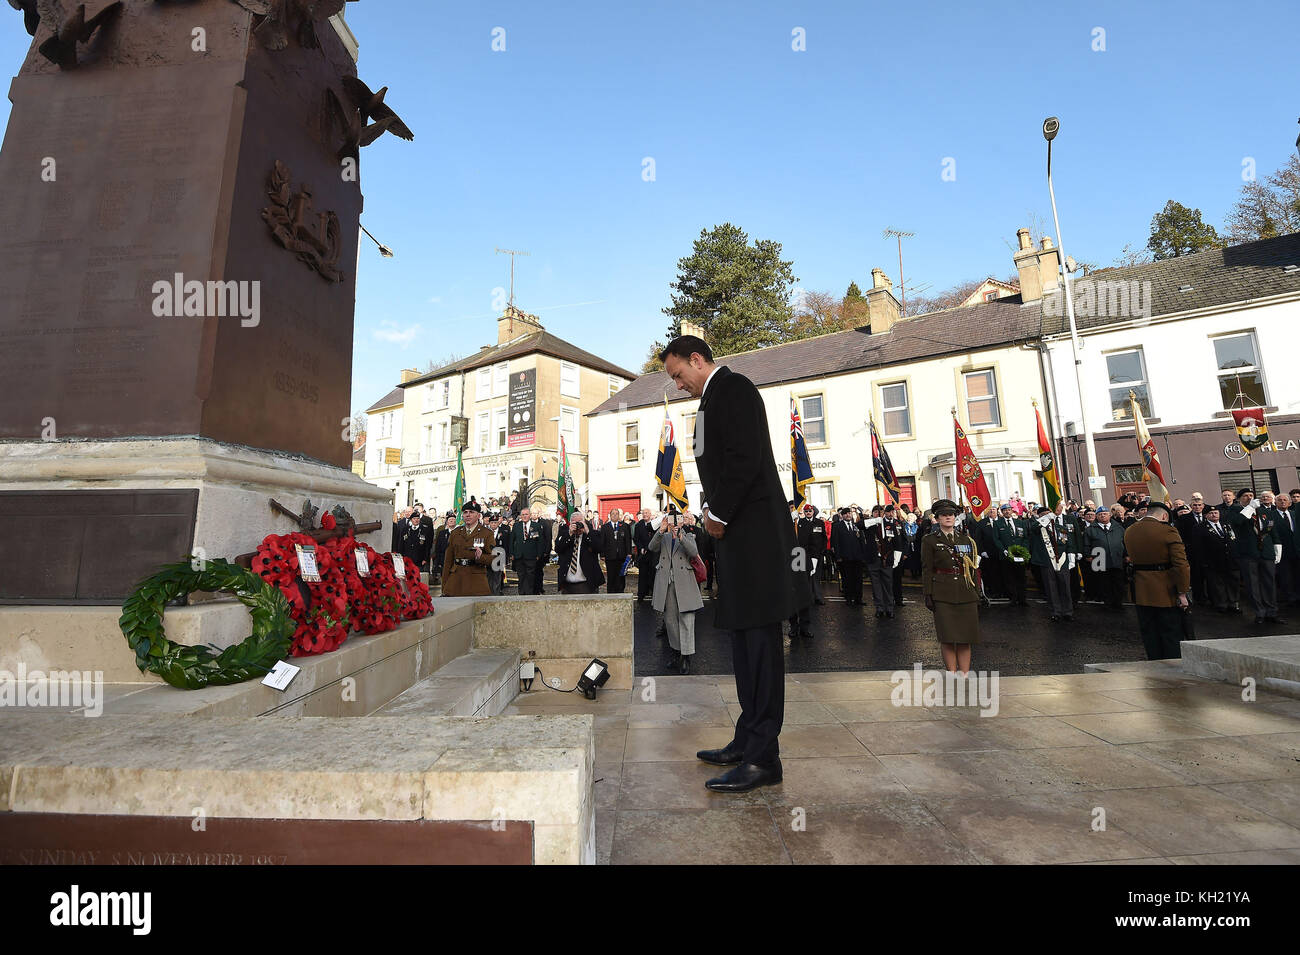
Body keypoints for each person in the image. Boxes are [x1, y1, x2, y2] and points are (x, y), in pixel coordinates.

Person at [662, 335, 807, 794]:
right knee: (745, 644)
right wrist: (711, 512)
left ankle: (765, 759)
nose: (678, 384)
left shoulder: (736, 389)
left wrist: (717, 513)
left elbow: (744, 460)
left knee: (762, 647)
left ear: (697, 359)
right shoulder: (708, 402)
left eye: (679, 375)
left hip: (757, 538)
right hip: (737, 539)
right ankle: (748, 739)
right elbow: (718, 467)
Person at [1123, 500, 1191, 660]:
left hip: (1140, 589)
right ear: (1165, 516)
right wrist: (1182, 592)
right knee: (1171, 634)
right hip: (1164, 589)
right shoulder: (1168, 531)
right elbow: (1181, 564)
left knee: (1149, 633)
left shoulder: (1130, 530)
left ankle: (1155, 666)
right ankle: (1173, 670)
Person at [921, 499, 981, 674]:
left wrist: (977, 592)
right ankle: (952, 675)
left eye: (951, 515)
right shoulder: (930, 540)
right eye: (943, 515)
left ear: (956, 517)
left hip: (966, 592)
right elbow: (927, 569)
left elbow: (972, 568)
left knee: (966, 637)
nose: (948, 517)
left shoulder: (966, 540)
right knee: (947, 638)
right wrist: (928, 594)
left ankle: (964, 675)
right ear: (937, 518)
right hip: (943, 593)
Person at [650, 513, 703, 673]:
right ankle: (676, 653)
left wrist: (680, 536)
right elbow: (652, 547)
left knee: (686, 620)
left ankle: (686, 657)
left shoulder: (688, 534)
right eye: (673, 520)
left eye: (679, 520)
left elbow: (693, 552)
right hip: (667, 582)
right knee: (671, 621)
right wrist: (661, 530)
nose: (676, 523)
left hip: (684, 583)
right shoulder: (663, 536)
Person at [1227, 489, 1284, 625]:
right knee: (1253, 585)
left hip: (1266, 552)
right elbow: (1237, 522)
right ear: (1239, 499)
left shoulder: (1265, 511)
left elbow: (1271, 529)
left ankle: (1272, 612)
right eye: (1245, 496)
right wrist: (1250, 508)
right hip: (1248, 553)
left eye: (1251, 496)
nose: (1249, 498)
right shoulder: (1235, 511)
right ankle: (1260, 612)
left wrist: (1277, 547)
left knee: (1269, 583)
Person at [788, 502, 826, 638]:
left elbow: (813, 544)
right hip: (790, 560)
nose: (794, 511)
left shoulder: (805, 524)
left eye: (795, 508)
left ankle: (805, 626)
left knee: (805, 594)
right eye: (792, 509)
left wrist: (813, 562)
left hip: (803, 559)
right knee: (792, 596)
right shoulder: (787, 523)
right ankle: (793, 626)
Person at [1030, 505, 1073, 622]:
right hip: (1046, 561)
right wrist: (1045, 519)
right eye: (1043, 515)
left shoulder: (1061, 528)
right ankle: (1056, 611)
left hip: (1062, 560)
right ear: (1039, 517)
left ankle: (1067, 611)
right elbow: (1034, 528)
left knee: (1065, 586)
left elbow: (1067, 542)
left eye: (1049, 514)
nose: (1048, 516)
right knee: (1051, 587)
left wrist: (1071, 556)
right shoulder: (1037, 528)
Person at [440, 502, 493, 596]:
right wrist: (444, 584)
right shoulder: (455, 533)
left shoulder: (487, 533)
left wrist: (481, 557)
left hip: (476, 581)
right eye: (465, 512)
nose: (468, 515)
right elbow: (448, 560)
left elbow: (494, 558)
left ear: (478, 515)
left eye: (471, 512)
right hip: (456, 580)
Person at [1199, 503, 1241, 613]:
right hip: (1213, 561)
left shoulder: (1226, 524)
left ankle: (1233, 603)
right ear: (1205, 515)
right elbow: (1199, 546)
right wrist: (1204, 561)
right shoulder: (1200, 528)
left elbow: (1234, 540)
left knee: (1233, 582)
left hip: (1230, 560)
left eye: (1216, 512)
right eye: (1211, 513)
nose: (1214, 514)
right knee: (1218, 584)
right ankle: (1222, 604)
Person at [1084, 505, 1126, 610]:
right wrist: (1088, 555)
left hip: (1117, 560)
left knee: (1118, 583)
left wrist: (1127, 555)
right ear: (1097, 516)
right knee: (1103, 583)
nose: (1103, 516)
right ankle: (1108, 603)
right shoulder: (1090, 530)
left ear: (1109, 515)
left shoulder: (1118, 528)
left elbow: (1125, 542)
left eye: (1105, 514)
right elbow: (1086, 544)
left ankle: (1118, 603)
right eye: (1100, 514)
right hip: (1099, 560)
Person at [863, 506, 901, 618]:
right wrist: (875, 521)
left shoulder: (891, 525)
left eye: (880, 512)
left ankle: (889, 608)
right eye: (875, 512)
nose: (877, 514)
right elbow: (859, 525)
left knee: (888, 585)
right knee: (876, 586)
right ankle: (879, 608)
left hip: (886, 559)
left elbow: (897, 543)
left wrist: (896, 559)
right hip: (873, 560)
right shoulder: (869, 525)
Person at [555, 513, 605, 594]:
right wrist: (569, 534)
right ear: (570, 523)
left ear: (584, 522)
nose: (577, 525)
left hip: (587, 583)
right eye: (574, 522)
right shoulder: (565, 533)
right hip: (567, 584)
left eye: (579, 522)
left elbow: (599, 548)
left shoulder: (592, 534)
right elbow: (558, 549)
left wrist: (587, 531)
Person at [992, 503, 1029, 606]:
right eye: (1005, 510)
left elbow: (1025, 537)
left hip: (1019, 555)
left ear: (1012, 511)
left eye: (1009, 510)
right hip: (1006, 555)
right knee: (1009, 577)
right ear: (1002, 512)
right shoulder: (998, 524)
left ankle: (1022, 598)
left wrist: (1024, 549)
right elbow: (996, 539)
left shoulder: (1019, 522)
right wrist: (1003, 550)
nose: (1007, 512)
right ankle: (1013, 598)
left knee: (1021, 576)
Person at [832, 506, 865, 606]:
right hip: (845, 557)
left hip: (857, 557)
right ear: (842, 516)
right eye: (845, 513)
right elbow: (835, 542)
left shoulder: (856, 526)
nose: (848, 515)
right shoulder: (837, 526)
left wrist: (862, 555)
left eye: (849, 513)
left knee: (858, 579)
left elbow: (862, 541)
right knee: (847, 579)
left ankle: (858, 599)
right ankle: (849, 598)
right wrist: (838, 556)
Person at [509, 506, 543, 595]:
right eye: (523, 515)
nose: (524, 516)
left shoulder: (536, 526)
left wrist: (539, 554)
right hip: (519, 556)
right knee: (521, 576)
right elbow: (511, 540)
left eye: (526, 514)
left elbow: (540, 541)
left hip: (531, 556)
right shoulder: (516, 526)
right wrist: (511, 553)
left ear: (530, 515)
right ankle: (521, 594)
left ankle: (529, 594)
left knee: (530, 576)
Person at [601, 507, 633, 593]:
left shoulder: (625, 526)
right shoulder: (605, 527)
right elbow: (602, 541)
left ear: (619, 516)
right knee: (611, 576)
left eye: (616, 514)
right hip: (610, 556)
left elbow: (628, 540)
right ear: (610, 515)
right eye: (613, 514)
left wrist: (629, 553)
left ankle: (620, 592)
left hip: (622, 556)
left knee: (621, 575)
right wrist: (602, 555)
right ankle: (611, 594)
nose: (615, 515)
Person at [633, 508, 656, 601]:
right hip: (643, 554)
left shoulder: (655, 524)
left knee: (653, 574)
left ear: (650, 514)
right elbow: (636, 538)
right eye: (643, 513)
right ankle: (641, 594)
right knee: (642, 575)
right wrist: (641, 547)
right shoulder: (638, 525)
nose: (645, 515)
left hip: (653, 553)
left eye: (647, 513)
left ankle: (653, 594)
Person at [485, 512, 509, 595]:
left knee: (497, 578)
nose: (494, 524)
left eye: (495, 523)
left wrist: (505, 560)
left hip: (499, 559)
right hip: (488, 559)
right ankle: (489, 593)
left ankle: (496, 594)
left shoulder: (503, 532)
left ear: (498, 523)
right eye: (492, 523)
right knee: (488, 577)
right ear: (489, 523)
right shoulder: (486, 533)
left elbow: (506, 547)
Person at [533, 507, 553, 594]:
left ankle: (539, 587)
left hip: (541, 552)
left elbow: (548, 538)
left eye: (535, 513)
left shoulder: (544, 523)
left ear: (539, 514)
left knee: (539, 571)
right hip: (531, 552)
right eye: (532, 513)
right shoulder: (528, 523)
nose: (534, 515)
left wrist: (546, 551)